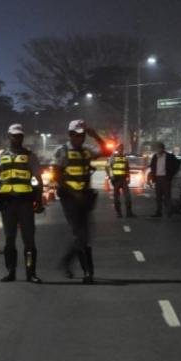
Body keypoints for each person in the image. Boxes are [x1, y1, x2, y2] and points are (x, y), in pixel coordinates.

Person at [52, 119, 111, 284]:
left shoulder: (86, 151)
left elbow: (106, 151)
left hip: (85, 196)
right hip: (69, 197)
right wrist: (73, 192)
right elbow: (57, 175)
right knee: (80, 234)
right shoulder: (62, 151)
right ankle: (88, 272)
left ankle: (67, 262)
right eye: (77, 135)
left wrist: (96, 136)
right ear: (70, 135)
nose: (81, 138)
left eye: (83, 135)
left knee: (84, 235)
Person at [0, 123, 45, 284]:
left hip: (25, 202)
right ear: (9, 137)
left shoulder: (30, 156)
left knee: (29, 240)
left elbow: (39, 179)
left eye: (20, 135)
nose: (17, 138)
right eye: (14, 136)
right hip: (7, 203)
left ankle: (31, 273)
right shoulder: (1, 156)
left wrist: (39, 200)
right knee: (9, 239)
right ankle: (11, 271)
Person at [147, 142, 179, 217]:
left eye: (159, 148)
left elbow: (177, 164)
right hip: (158, 178)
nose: (158, 150)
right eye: (157, 148)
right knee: (158, 196)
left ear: (163, 149)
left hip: (166, 178)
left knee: (167, 195)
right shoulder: (155, 157)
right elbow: (152, 167)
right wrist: (151, 177)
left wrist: (171, 174)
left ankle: (168, 212)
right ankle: (159, 212)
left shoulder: (169, 156)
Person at [105, 144, 135, 218]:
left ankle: (129, 213)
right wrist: (111, 176)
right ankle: (119, 213)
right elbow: (107, 167)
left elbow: (127, 168)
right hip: (116, 180)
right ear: (117, 149)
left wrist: (128, 177)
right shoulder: (113, 157)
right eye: (120, 149)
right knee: (116, 198)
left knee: (127, 197)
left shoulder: (124, 157)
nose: (121, 150)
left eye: (122, 149)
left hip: (124, 179)